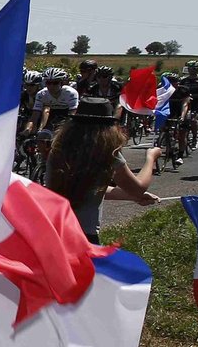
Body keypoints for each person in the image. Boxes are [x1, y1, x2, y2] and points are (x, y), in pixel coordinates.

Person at [44, 97, 161, 244]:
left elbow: (88, 189)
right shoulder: (107, 151)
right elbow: (138, 188)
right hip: (84, 236)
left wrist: (131, 197)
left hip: (52, 230)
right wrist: (151, 158)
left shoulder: (59, 148)